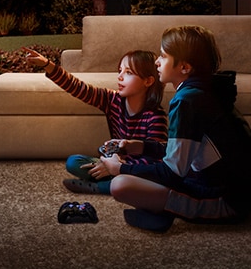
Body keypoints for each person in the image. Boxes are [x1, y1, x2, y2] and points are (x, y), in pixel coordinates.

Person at [103, 24, 251, 231]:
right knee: (143, 175)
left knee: (119, 184)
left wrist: (120, 168)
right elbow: (188, 152)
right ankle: (160, 207)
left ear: (184, 67)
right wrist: (139, 146)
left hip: (226, 202)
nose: (156, 61)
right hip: (230, 188)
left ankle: (166, 210)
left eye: (163, 56)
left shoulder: (186, 101)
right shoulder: (204, 91)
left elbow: (172, 173)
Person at [22, 47, 167, 195]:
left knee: (145, 180)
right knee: (74, 162)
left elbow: (154, 160)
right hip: (113, 162)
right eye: (120, 71)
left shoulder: (156, 116)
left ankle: (100, 187)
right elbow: (79, 88)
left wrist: (119, 166)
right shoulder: (112, 100)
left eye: (128, 73)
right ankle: (109, 180)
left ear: (148, 81)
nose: (120, 77)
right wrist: (48, 65)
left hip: (136, 171)